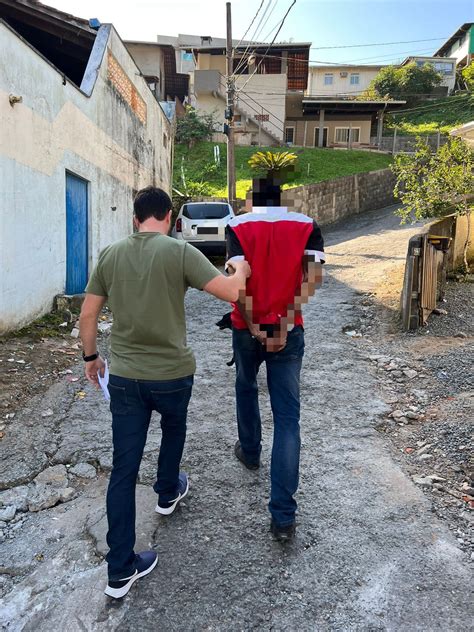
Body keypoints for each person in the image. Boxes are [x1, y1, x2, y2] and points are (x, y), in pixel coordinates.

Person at [79, 186, 250, 598]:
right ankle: (167, 492)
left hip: (124, 377)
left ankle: (120, 570)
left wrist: (91, 358)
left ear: (135, 218)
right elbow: (231, 293)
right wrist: (239, 269)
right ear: (171, 218)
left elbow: (88, 313)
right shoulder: (179, 252)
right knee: (174, 430)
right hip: (172, 374)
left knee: (123, 469)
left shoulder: (111, 254)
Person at [226, 175, 324, 542]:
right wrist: (283, 324)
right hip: (289, 331)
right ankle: (283, 518)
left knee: (246, 387)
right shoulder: (307, 226)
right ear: (281, 199)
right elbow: (314, 278)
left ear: (252, 198)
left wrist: (254, 327)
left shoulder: (236, 225)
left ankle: (250, 452)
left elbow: (237, 281)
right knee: (287, 419)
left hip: (245, 328)